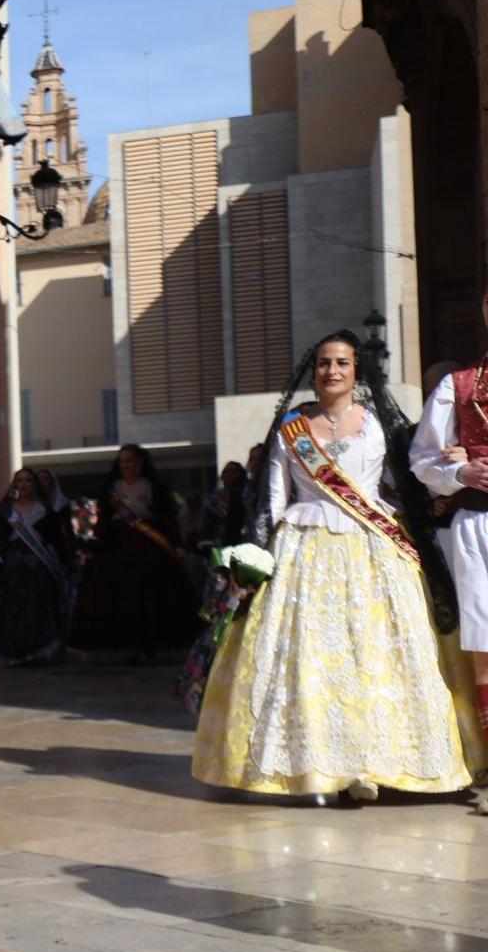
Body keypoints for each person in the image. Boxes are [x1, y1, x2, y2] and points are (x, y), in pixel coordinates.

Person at [196, 330, 479, 800]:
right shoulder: (291, 428)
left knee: (376, 655)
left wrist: (455, 459)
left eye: (343, 363)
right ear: (314, 371)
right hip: (301, 552)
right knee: (307, 660)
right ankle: (314, 767)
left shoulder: (380, 426)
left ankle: (374, 765)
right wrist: (253, 560)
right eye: (325, 362)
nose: (333, 371)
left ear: (357, 371)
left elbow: (406, 484)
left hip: (375, 551)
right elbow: (271, 501)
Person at [411, 318, 488, 775]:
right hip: (479, 523)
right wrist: (460, 474)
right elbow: (423, 457)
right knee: (485, 647)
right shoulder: (456, 386)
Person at [68, 443, 199, 657]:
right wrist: (96, 541)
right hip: (117, 546)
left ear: (140, 462)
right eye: (122, 461)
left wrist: (176, 544)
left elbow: (167, 519)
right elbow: (103, 521)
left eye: (130, 460)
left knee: (150, 594)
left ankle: (150, 641)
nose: (126, 465)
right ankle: (123, 643)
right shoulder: (112, 489)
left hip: (148, 546)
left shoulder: (154, 487)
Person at [0, 467, 73, 666]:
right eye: (20, 481)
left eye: (28, 481)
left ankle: (38, 652)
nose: (24, 485)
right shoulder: (6, 510)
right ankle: (8, 653)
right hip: (11, 568)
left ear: (35, 485)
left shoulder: (45, 509)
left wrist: (65, 562)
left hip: (39, 568)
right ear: (14, 485)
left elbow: (57, 539)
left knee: (38, 610)